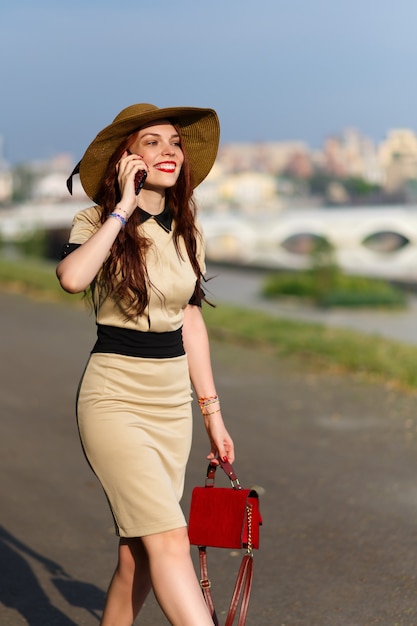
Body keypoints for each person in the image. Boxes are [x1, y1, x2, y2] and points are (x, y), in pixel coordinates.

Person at [56, 103, 235, 626]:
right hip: (114, 398)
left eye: (174, 142)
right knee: (169, 539)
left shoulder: (186, 229)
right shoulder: (95, 221)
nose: (168, 152)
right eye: (151, 142)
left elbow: (191, 322)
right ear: (126, 158)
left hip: (171, 404)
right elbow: (72, 278)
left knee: (137, 555)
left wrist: (212, 415)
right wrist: (122, 208)